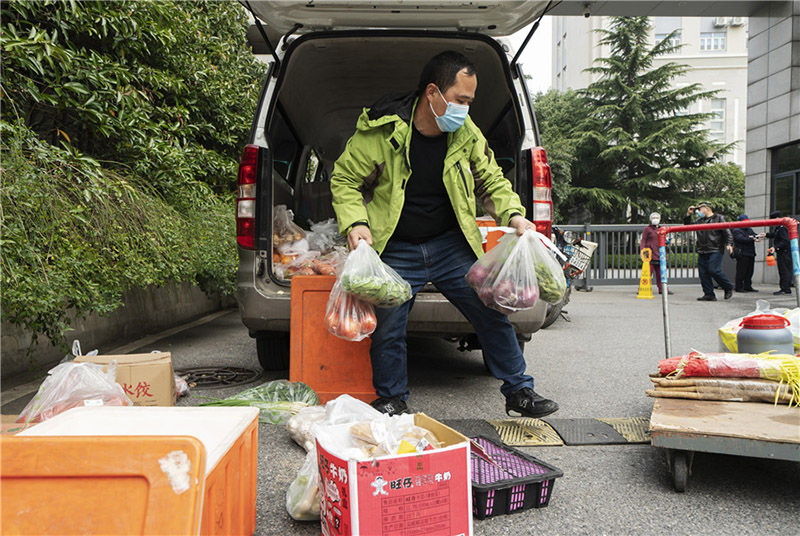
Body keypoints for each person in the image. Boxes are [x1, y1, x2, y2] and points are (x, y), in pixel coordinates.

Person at [330, 51, 558, 418]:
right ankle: (391, 398)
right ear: (433, 93)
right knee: (389, 325)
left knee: (490, 310)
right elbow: (345, 180)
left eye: (469, 102)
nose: (465, 110)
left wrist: (514, 215)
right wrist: (356, 222)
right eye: (460, 100)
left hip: (450, 245)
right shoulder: (382, 132)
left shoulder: (465, 134)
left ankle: (519, 390)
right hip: (397, 247)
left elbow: (491, 181)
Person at [684, 202, 734, 301]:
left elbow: (727, 232)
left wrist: (729, 244)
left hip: (715, 249)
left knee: (714, 270)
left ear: (706, 208)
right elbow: (688, 226)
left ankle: (728, 286)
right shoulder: (699, 221)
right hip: (702, 250)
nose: (698, 212)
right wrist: (688, 215)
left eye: (699, 209)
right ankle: (709, 294)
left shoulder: (719, 218)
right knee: (703, 273)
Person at [640, 212, 672, 294]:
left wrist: (667, 241)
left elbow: (664, 239)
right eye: (653, 218)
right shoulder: (647, 229)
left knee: (661, 273)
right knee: (647, 272)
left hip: (660, 253)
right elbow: (643, 240)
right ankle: (644, 288)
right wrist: (642, 250)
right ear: (650, 219)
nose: (655, 219)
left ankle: (662, 289)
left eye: (657, 218)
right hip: (649, 253)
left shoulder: (662, 229)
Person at [732, 215, 764, 293]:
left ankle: (748, 286)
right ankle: (739, 287)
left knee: (749, 271)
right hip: (742, 253)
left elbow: (754, 235)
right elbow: (741, 239)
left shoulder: (749, 229)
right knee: (741, 271)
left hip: (750, 253)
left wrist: (758, 236)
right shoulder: (737, 230)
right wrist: (751, 238)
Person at [765, 210, 792, 295]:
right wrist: (766, 235)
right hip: (783, 252)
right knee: (783, 270)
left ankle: (785, 289)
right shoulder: (779, 228)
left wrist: (775, 247)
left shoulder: (782, 228)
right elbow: (775, 234)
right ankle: (785, 288)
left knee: (784, 271)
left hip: (784, 252)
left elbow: (785, 241)